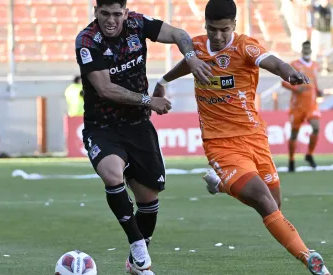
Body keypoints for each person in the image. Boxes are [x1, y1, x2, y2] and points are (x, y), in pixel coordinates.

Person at [153, 1, 331, 274]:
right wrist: (163, 82)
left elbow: (273, 62)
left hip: (254, 137)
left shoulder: (245, 46)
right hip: (220, 144)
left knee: (275, 204)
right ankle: (309, 258)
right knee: (262, 200)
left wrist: (290, 73)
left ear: (234, 25)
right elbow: (186, 65)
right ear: (205, 25)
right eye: (213, 29)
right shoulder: (197, 48)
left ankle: (221, 184)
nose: (218, 36)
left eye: (224, 29)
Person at [74, 1, 212, 274]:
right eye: (105, 14)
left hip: (138, 126)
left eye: (117, 14)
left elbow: (178, 34)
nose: (111, 20)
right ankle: (137, 242)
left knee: (148, 201)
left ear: (125, 12)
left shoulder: (138, 24)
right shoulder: (87, 41)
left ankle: (135, 261)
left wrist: (191, 56)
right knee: (112, 174)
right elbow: (104, 88)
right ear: (95, 12)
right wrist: (149, 100)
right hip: (103, 126)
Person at [281, 41, 322, 172]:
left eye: (308, 48)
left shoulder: (316, 65)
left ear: (311, 50)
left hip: (312, 105)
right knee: (294, 134)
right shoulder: (294, 65)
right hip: (297, 106)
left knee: (316, 127)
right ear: (301, 49)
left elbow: (314, 82)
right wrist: (296, 88)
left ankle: (309, 155)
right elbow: (284, 82)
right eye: (304, 48)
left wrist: (318, 90)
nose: (307, 50)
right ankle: (291, 160)